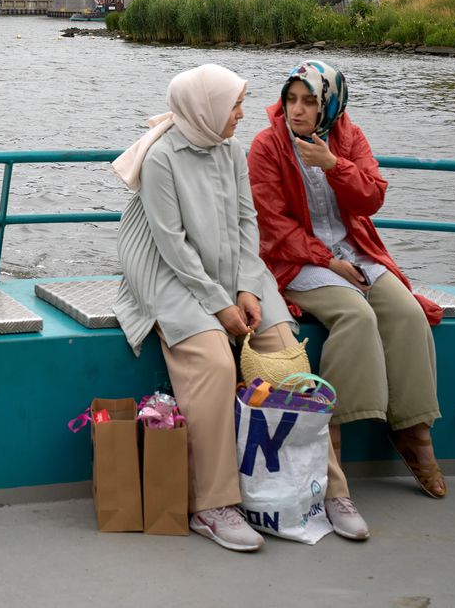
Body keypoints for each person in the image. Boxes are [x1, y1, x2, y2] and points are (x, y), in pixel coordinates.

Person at [111, 64, 368, 552]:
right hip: (172, 277)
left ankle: (328, 488)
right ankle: (213, 504)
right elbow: (171, 245)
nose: (241, 115)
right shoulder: (163, 158)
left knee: (287, 356)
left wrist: (249, 289)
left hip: (236, 271)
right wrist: (218, 306)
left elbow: (248, 223)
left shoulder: (230, 149)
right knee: (211, 361)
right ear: (204, 109)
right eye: (233, 106)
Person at [247, 60, 445, 499]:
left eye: (309, 101)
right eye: (291, 99)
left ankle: (413, 429)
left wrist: (334, 164)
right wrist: (327, 261)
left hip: (355, 252)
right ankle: (330, 435)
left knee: (407, 312)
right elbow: (272, 225)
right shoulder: (267, 146)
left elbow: (372, 196)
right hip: (296, 260)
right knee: (356, 315)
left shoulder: (348, 137)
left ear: (329, 106)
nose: (296, 110)